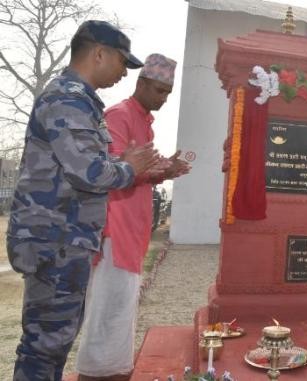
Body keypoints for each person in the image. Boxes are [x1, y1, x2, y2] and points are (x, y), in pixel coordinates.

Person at [6, 20, 160, 381]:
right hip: (54, 239)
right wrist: (129, 167)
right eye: (123, 62)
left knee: (52, 344)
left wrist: (128, 166)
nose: (124, 71)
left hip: (64, 238)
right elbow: (89, 172)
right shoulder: (67, 98)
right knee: (43, 346)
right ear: (99, 54)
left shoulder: (81, 101)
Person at [75, 53, 190, 381]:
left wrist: (165, 169)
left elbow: (138, 171)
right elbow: (109, 172)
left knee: (122, 309)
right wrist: (147, 168)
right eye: (158, 90)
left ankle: (117, 370)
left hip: (134, 228)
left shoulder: (144, 121)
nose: (163, 99)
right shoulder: (119, 116)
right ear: (141, 83)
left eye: (167, 93)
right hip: (115, 228)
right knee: (108, 310)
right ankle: (97, 373)